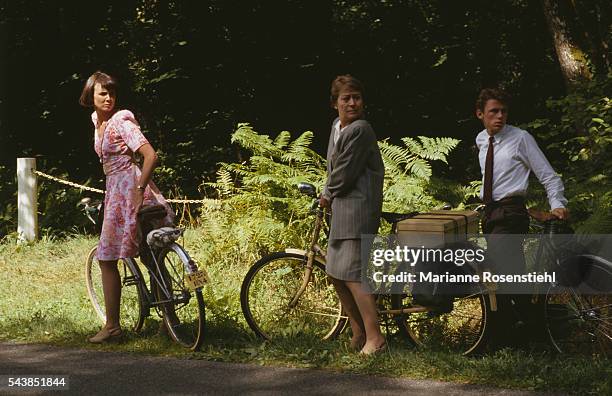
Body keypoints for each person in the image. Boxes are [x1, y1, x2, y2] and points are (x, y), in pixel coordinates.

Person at [79, 71, 173, 343]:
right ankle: (169, 321)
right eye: (102, 93)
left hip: (129, 189)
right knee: (148, 254)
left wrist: (139, 190)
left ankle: (112, 326)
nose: (108, 98)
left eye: (111, 93)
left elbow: (150, 155)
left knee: (108, 257)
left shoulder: (121, 121)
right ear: (91, 96)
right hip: (115, 191)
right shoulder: (97, 120)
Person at [475, 88, 569, 333]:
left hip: (511, 213)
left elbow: (548, 176)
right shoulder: (481, 140)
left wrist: (557, 204)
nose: (500, 116)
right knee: (506, 275)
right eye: (493, 111)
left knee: (500, 271)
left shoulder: (521, 138)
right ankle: (527, 327)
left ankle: (520, 329)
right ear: (480, 114)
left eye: (503, 111)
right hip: (491, 214)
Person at [320, 75, 386, 355]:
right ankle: (358, 330)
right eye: (345, 98)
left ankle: (376, 338)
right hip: (341, 211)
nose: (352, 103)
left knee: (354, 275)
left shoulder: (360, 129)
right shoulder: (337, 127)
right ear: (334, 103)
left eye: (356, 97)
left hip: (358, 210)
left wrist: (326, 194)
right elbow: (332, 169)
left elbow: (345, 172)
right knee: (335, 272)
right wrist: (327, 193)